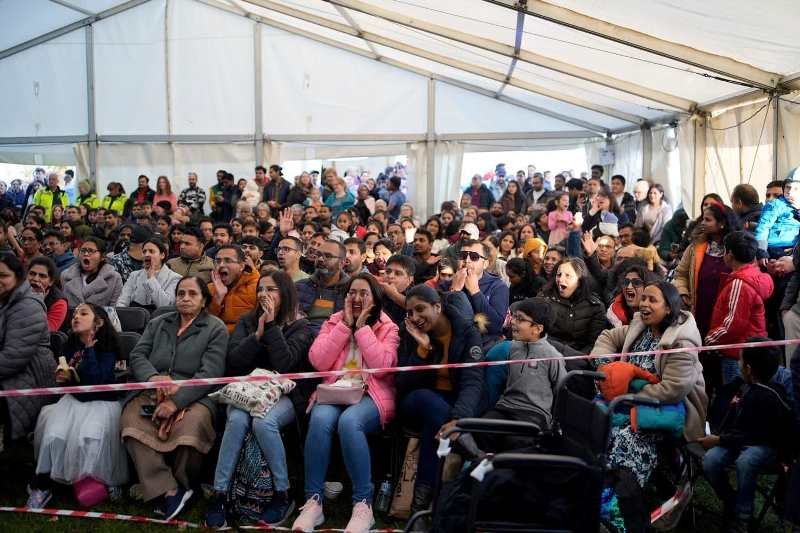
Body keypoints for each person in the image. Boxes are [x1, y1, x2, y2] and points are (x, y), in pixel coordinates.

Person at [291, 273, 399, 533]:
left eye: (364, 293)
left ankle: (363, 504)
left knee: (350, 423)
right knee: (319, 419)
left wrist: (362, 329)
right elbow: (318, 361)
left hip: (371, 394)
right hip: (335, 391)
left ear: (375, 298)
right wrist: (344, 326)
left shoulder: (387, 327)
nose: (357, 298)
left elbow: (383, 368)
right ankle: (313, 501)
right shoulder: (333, 321)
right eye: (353, 292)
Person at [591, 282, 707, 524]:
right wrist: (604, 368)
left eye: (652, 300)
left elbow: (672, 390)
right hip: (626, 403)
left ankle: (619, 507)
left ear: (669, 308)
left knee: (626, 436)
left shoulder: (681, 342)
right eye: (643, 298)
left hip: (669, 411)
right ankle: (595, 489)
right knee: (590, 421)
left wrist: (628, 392)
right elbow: (606, 337)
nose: (643, 304)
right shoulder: (640, 327)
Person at [206, 271, 315, 528]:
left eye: (272, 290)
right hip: (247, 393)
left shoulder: (301, 326)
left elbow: (286, 363)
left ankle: (282, 493)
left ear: (285, 294)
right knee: (237, 420)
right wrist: (256, 335)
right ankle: (220, 493)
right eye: (261, 289)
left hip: (285, 394)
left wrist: (272, 327)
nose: (264, 294)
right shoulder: (247, 321)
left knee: (263, 422)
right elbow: (234, 362)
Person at [120, 277, 227, 520]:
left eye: (192, 294)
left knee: (191, 425)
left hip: (195, 394)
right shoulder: (158, 323)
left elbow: (209, 373)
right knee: (131, 420)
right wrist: (152, 376)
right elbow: (138, 354)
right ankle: (168, 489)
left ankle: (184, 484)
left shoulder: (215, 327)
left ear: (203, 301)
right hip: (152, 390)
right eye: (181, 293)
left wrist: (175, 402)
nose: (185, 298)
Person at [27, 304, 128, 508]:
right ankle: (43, 485)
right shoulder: (70, 345)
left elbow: (97, 381)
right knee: (54, 434)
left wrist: (90, 349)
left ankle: (101, 481)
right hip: (73, 401)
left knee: (88, 436)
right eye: (74, 314)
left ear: (98, 322)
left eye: (83, 314)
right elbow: (73, 379)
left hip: (100, 403)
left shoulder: (107, 347)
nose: (75, 317)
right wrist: (64, 378)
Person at [397, 285, 485, 516]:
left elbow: (473, 381)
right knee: (427, 400)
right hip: (415, 400)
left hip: (448, 405)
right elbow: (402, 383)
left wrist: (457, 418)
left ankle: (421, 509)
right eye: (409, 312)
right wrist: (422, 350)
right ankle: (469, 446)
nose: (414, 318)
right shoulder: (408, 331)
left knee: (435, 426)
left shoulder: (467, 333)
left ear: (437, 307)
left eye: (420, 309)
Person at [700, 341, 794, 532]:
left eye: (740, 360)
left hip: (766, 445)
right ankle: (730, 500)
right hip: (736, 439)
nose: (737, 363)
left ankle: (743, 516)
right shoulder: (742, 386)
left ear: (748, 369)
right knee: (710, 460)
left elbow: (755, 435)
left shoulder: (770, 396)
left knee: (747, 460)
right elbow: (734, 422)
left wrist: (719, 440)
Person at [0, 252, 57, 444]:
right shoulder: (4, 300)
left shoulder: (28, 306)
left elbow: (13, 358)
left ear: (18, 277)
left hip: (28, 378)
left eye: (3, 276)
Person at [704, 232, 774, 385]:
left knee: (734, 395)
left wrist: (709, 340)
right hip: (747, 349)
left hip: (736, 353)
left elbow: (733, 324)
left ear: (729, 254)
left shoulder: (740, 283)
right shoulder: (755, 275)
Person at [672, 201, 737, 338]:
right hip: (698, 311)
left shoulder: (736, 250)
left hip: (726, 314)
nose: (702, 223)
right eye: (703, 219)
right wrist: (683, 293)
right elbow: (680, 274)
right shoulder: (695, 247)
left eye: (708, 220)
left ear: (722, 223)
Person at [446, 239, 509, 348]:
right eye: (463, 256)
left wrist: (475, 292)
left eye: (474, 257)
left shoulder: (498, 286)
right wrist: (454, 291)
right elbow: (442, 321)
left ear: (485, 264)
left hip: (485, 344)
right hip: (454, 341)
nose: (467, 260)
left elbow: (495, 326)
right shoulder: (447, 284)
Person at [541, 257, 607, 353]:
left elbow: (594, 344)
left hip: (577, 359)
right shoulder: (544, 299)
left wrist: (575, 359)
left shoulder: (596, 307)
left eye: (568, 275)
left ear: (580, 279)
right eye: (559, 275)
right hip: (548, 353)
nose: (560, 279)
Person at [296, 239, 349, 332]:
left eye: (328, 256)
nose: (320, 259)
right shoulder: (299, 286)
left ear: (342, 263)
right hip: (302, 336)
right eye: (319, 255)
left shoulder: (350, 291)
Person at [117, 237, 182, 310]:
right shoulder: (134, 275)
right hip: (134, 318)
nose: (147, 254)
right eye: (144, 251)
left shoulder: (175, 278)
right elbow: (122, 302)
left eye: (151, 251)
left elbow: (165, 306)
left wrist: (151, 278)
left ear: (162, 255)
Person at [208, 244, 260, 333]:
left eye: (228, 260)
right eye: (218, 261)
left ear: (242, 266)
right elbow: (204, 323)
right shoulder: (209, 288)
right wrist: (217, 299)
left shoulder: (258, 287)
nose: (221, 265)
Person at [61, 237, 123, 307]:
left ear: (102, 257)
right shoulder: (65, 276)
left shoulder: (114, 278)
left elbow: (115, 310)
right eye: (83, 250)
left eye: (91, 251)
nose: (86, 254)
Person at [754, 175, 800, 260]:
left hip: (794, 249)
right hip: (774, 247)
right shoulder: (776, 204)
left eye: (796, 189)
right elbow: (763, 227)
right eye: (788, 187)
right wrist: (761, 251)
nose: (790, 192)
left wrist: (796, 249)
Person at [606, 260, 653, 328]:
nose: (629, 287)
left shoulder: (655, 318)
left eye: (636, 283)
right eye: (626, 282)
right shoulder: (612, 314)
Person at [27, 256, 68, 331]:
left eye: (42, 276)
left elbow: (45, 332)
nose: (35, 279)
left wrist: (37, 304)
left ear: (51, 281)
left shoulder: (59, 303)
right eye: (32, 274)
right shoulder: (18, 291)